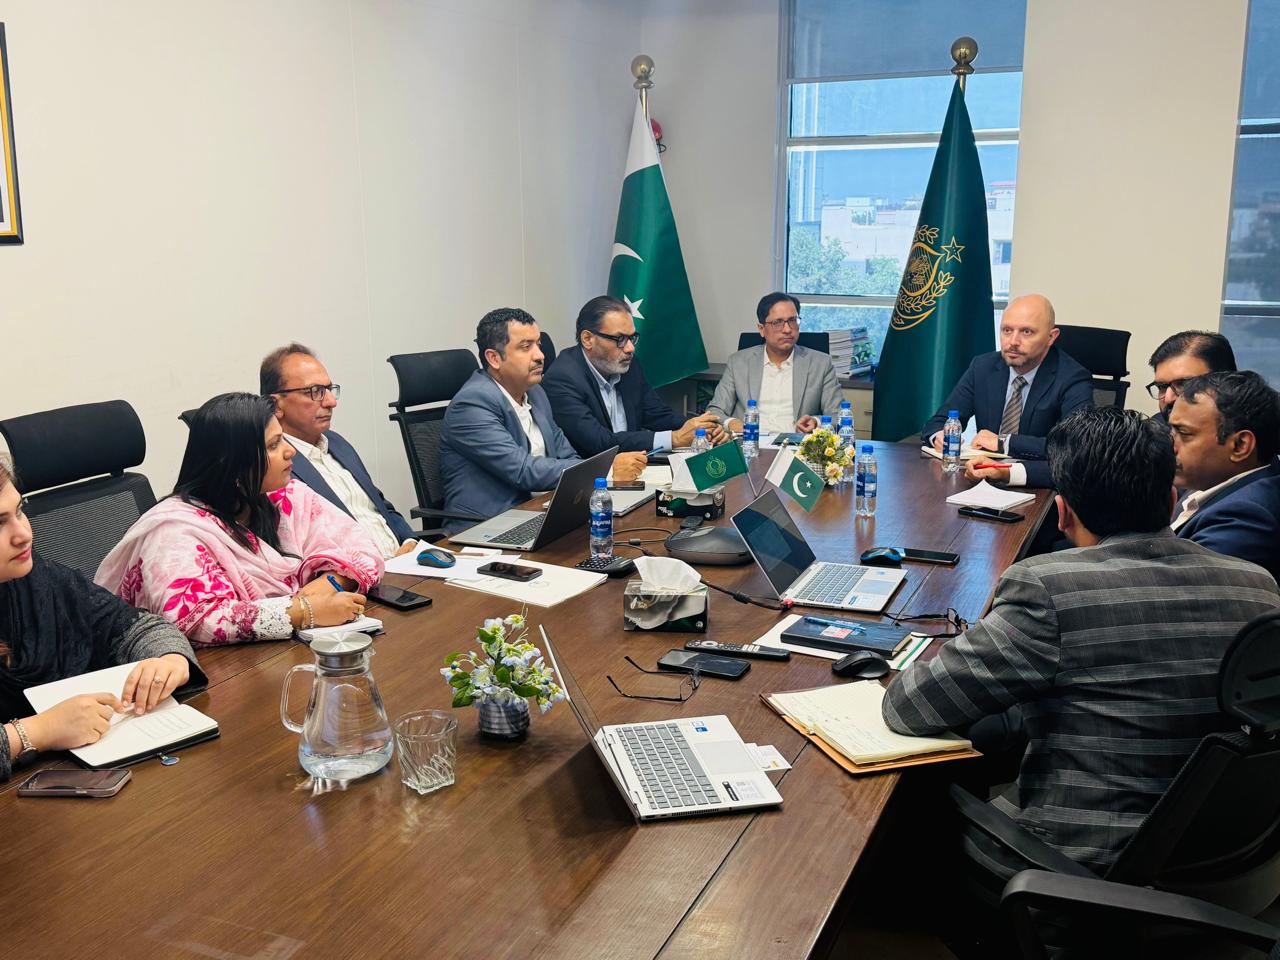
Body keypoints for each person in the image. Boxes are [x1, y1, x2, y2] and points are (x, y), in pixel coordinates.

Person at [884, 407, 1280, 881]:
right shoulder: (1259, 586)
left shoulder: (1049, 588)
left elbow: (909, 708)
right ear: (1172, 499)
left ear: (1063, 511)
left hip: (1074, 864)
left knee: (914, 801)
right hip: (1221, 854)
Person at [96, 393, 383, 646]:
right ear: (232, 464)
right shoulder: (173, 532)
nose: (290, 451)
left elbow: (363, 546)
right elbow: (197, 620)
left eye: (282, 438)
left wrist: (332, 582)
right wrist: (304, 611)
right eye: (273, 445)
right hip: (217, 675)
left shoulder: (286, 497)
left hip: (289, 652)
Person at [0, 457, 207, 782]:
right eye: (0, 523)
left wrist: (170, 659)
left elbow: (132, 625)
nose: (23, 534)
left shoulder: (34, 580)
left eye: (20, 511)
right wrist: (39, 731)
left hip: (82, 774)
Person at [439, 308, 646, 534]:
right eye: (526, 347)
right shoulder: (471, 404)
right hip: (488, 528)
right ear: (494, 358)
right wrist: (606, 471)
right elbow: (522, 470)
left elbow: (567, 455)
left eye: (538, 344)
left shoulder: (535, 392)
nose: (540, 355)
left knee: (631, 532)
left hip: (541, 514)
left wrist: (588, 478)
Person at [261, 343, 417, 559]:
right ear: (276, 405)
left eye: (329, 389)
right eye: (314, 392)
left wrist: (410, 541)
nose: (331, 402)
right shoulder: (276, 466)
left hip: (406, 561)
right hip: (358, 574)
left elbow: (380, 506)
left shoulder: (338, 444)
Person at [931, 294, 1091, 489]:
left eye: (1026, 332)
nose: (1013, 341)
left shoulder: (1072, 377)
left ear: (1051, 337)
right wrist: (940, 436)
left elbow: (1076, 446)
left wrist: (1004, 443)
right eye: (1007, 330)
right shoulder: (982, 367)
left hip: (1037, 488)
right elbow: (940, 420)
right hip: (980, 481)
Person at [543, 295, 724, 456]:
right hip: (593, 476)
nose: (630, 348)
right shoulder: (563, 378)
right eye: (620, 339)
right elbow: (599, 442)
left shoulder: (628, 365)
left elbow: (657, 414)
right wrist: (674, 438)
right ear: (588, 339)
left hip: (635, 467)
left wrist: (702, 428)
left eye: (632, 338)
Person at [1170, 371, 1280, 582]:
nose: (1171, 445)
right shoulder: (1212, 480)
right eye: (1172, 431)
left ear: (1240, 445)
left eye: (1184, 433)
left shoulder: (1247, 516)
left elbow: (1177, 589)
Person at [706, 292, 843, 435]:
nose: (787, 329)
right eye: (777, 322)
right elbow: (714, 411)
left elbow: (839, 415)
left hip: (795, 444)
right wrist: (731, 423)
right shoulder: (738, 362)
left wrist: (816, 422)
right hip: (749, 442)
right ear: (761, 329)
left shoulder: (820, 363)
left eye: (792, 320)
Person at [1146, 329, 1237, 421]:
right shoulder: (1154, 427)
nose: (1168, 399)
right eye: (1162, 387)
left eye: (1183, 384)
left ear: (1228, 384)